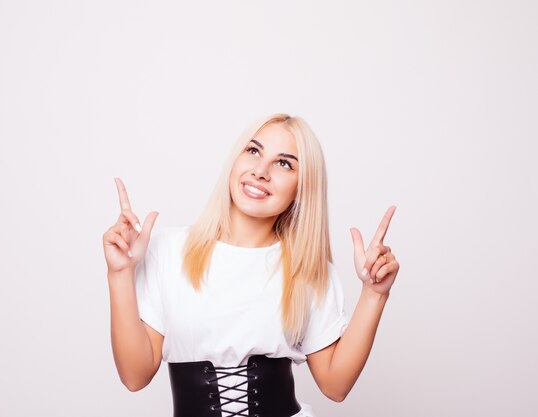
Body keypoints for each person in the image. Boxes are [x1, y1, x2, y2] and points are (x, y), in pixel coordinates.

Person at [103, 113, 400, 417]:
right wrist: (120, 273)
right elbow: (135, 376)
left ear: (302, 188)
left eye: (284, 163)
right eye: (254, 151)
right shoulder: (169, 250)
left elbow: (335, 386)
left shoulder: (307, 270)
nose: (260, 171)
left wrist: (375, 294)